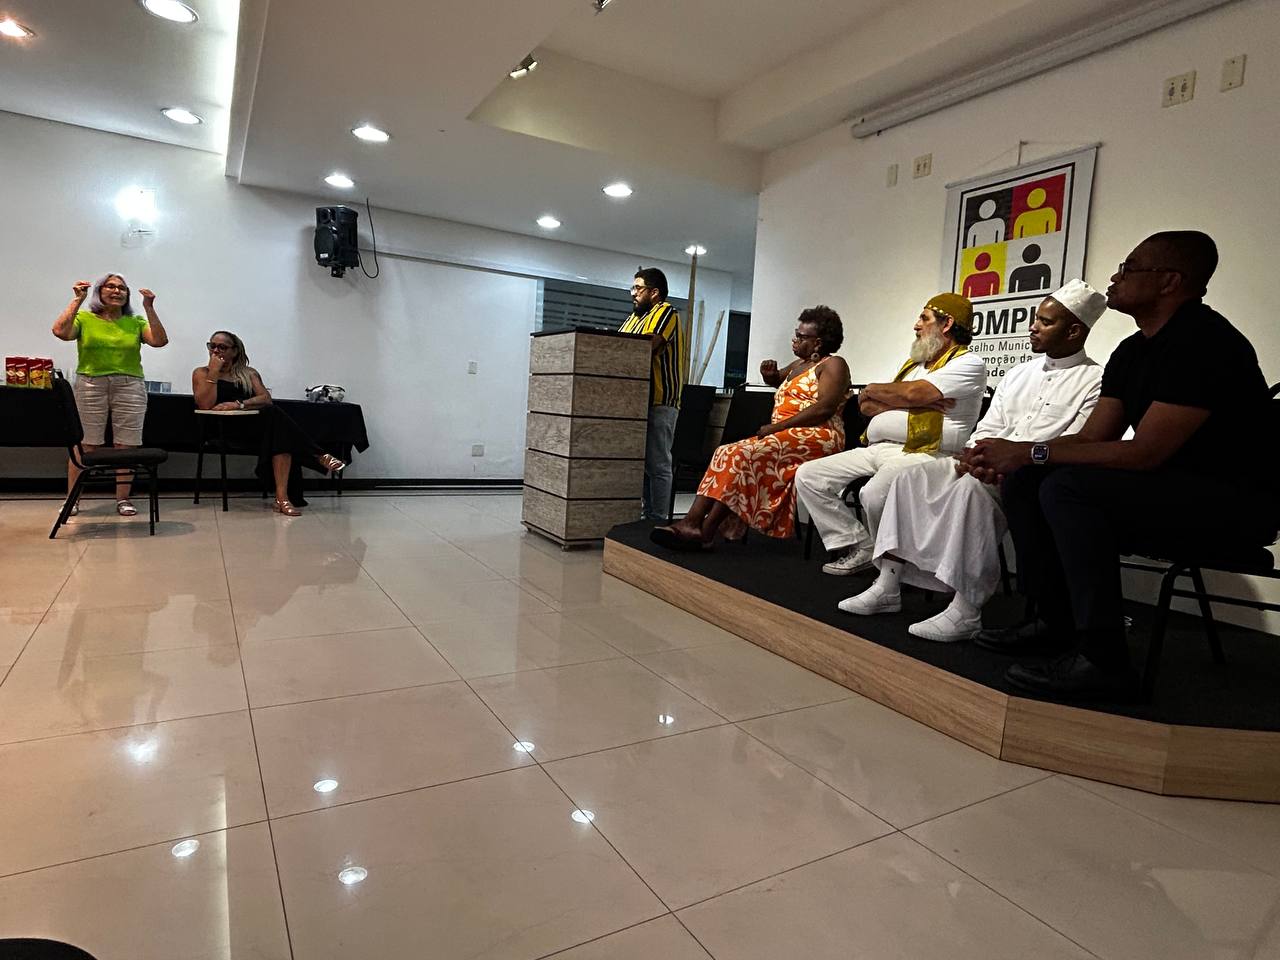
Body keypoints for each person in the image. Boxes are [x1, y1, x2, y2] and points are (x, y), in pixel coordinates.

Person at [969, 232, 1276, 700]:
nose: (1115, 278)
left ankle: (1104, 658)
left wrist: (1029, 451)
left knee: (1067, 487)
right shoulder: (1133, 350)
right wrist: (1015, 456)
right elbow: (1093, 438)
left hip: (1229, 501)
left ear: (1169, 281)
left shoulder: (1205, 343)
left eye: (1129, 268)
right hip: (1170, 485)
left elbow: (1145, 452)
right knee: (1029, 480)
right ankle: (1055, 622)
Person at [838, 280, 1105, 640]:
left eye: (1045, 322)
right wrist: (974, 453)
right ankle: (888, 585)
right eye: (1035, 319)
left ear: (1073, 331)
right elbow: (989, 425)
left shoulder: (1095, 380)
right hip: (987, 463)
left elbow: (1075, 441)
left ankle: (967, 610)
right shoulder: (1019, 374)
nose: (1033, 327)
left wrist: (1007, 462)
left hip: (1035, 474)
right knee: (907, 480)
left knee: (971, 491)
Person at [794, 293, 986, 576]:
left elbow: (913, 393)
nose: (916, 325)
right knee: (809, 475)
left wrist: (897, 395)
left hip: (924, 453)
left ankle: (890, 576)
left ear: (947, 324)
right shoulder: (915, 365)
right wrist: (882, 393)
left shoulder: (968, 363)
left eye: (924, 319)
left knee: (873, 494)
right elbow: (866, 405)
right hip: (878, 448)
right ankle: (861, 546)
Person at [650, 306, 851, 549]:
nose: (794, 340)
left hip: (818, 436)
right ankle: (697, 526)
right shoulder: (800, 364)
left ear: (818, 342)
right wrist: (769, 376)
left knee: (741, 454)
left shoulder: (834, 365)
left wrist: (777, 427)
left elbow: (824, 408)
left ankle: (701, 528)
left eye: (801, 336)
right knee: (726, 452)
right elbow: (779, 380)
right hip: (786, 435)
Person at [51, 274, 169, 517]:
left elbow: (159, 341)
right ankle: (73, 500)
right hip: (90, 383)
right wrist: (77, 300)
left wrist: (149, 307)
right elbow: (60, 331)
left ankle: (123, 499)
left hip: (129, 384)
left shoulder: (135, 322)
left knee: (126, 444)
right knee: (86, 443)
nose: (117, 291)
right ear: (99, 291)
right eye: (111, 287)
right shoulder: (85, 318)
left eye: (122, 288)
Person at [192, 331, 346, 517]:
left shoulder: (248, 373)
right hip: (222, 429)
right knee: (278, 429)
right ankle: (319, 455)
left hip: (251, 428)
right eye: (212, 346)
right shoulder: (201, 373)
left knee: (276, 425)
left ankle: (282, 498)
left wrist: (239, 404)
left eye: (222, 347)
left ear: (235, 351)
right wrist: (214, 373)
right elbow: (205, 404)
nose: (216, 351)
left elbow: (266, 399)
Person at [620, 267, 687, 521]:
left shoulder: (666, 312)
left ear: (655, 292)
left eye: (638, 288)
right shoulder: (633, 318)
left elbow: (648, 345)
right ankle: (645, 518)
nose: (633, 293)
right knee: (643, 464)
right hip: (635, 403)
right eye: (633, 288)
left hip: (660, 400)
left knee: (658, 464)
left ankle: (658, 519)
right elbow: (615, 346)